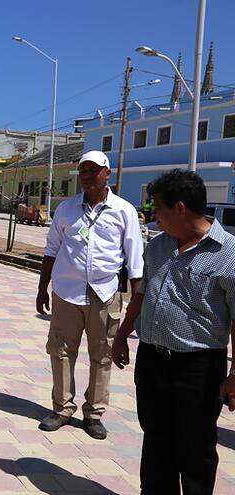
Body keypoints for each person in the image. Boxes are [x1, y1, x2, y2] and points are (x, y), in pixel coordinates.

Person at [111, 169, 235, 494]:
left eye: (158, 208)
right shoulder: (158, 246)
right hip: (152, 361)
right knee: (156, 439)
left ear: (179, 208)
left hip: (198, 368)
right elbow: (142, 294)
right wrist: (122, 335)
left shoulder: (229, 253)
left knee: (195, 447)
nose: (154, 216)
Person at [35, 150, 144, 440]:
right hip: (66, 292)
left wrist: (137, 302)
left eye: (93, 171)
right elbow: (51, 250)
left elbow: (135, 260)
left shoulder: (124, 211)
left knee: (103, 354)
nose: (86, 176)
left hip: (105, 293)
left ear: (107, 174)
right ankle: (62, 408)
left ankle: (94, 414)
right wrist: (42, 288)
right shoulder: (66, 209)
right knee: (60, 351)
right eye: (83, 171)